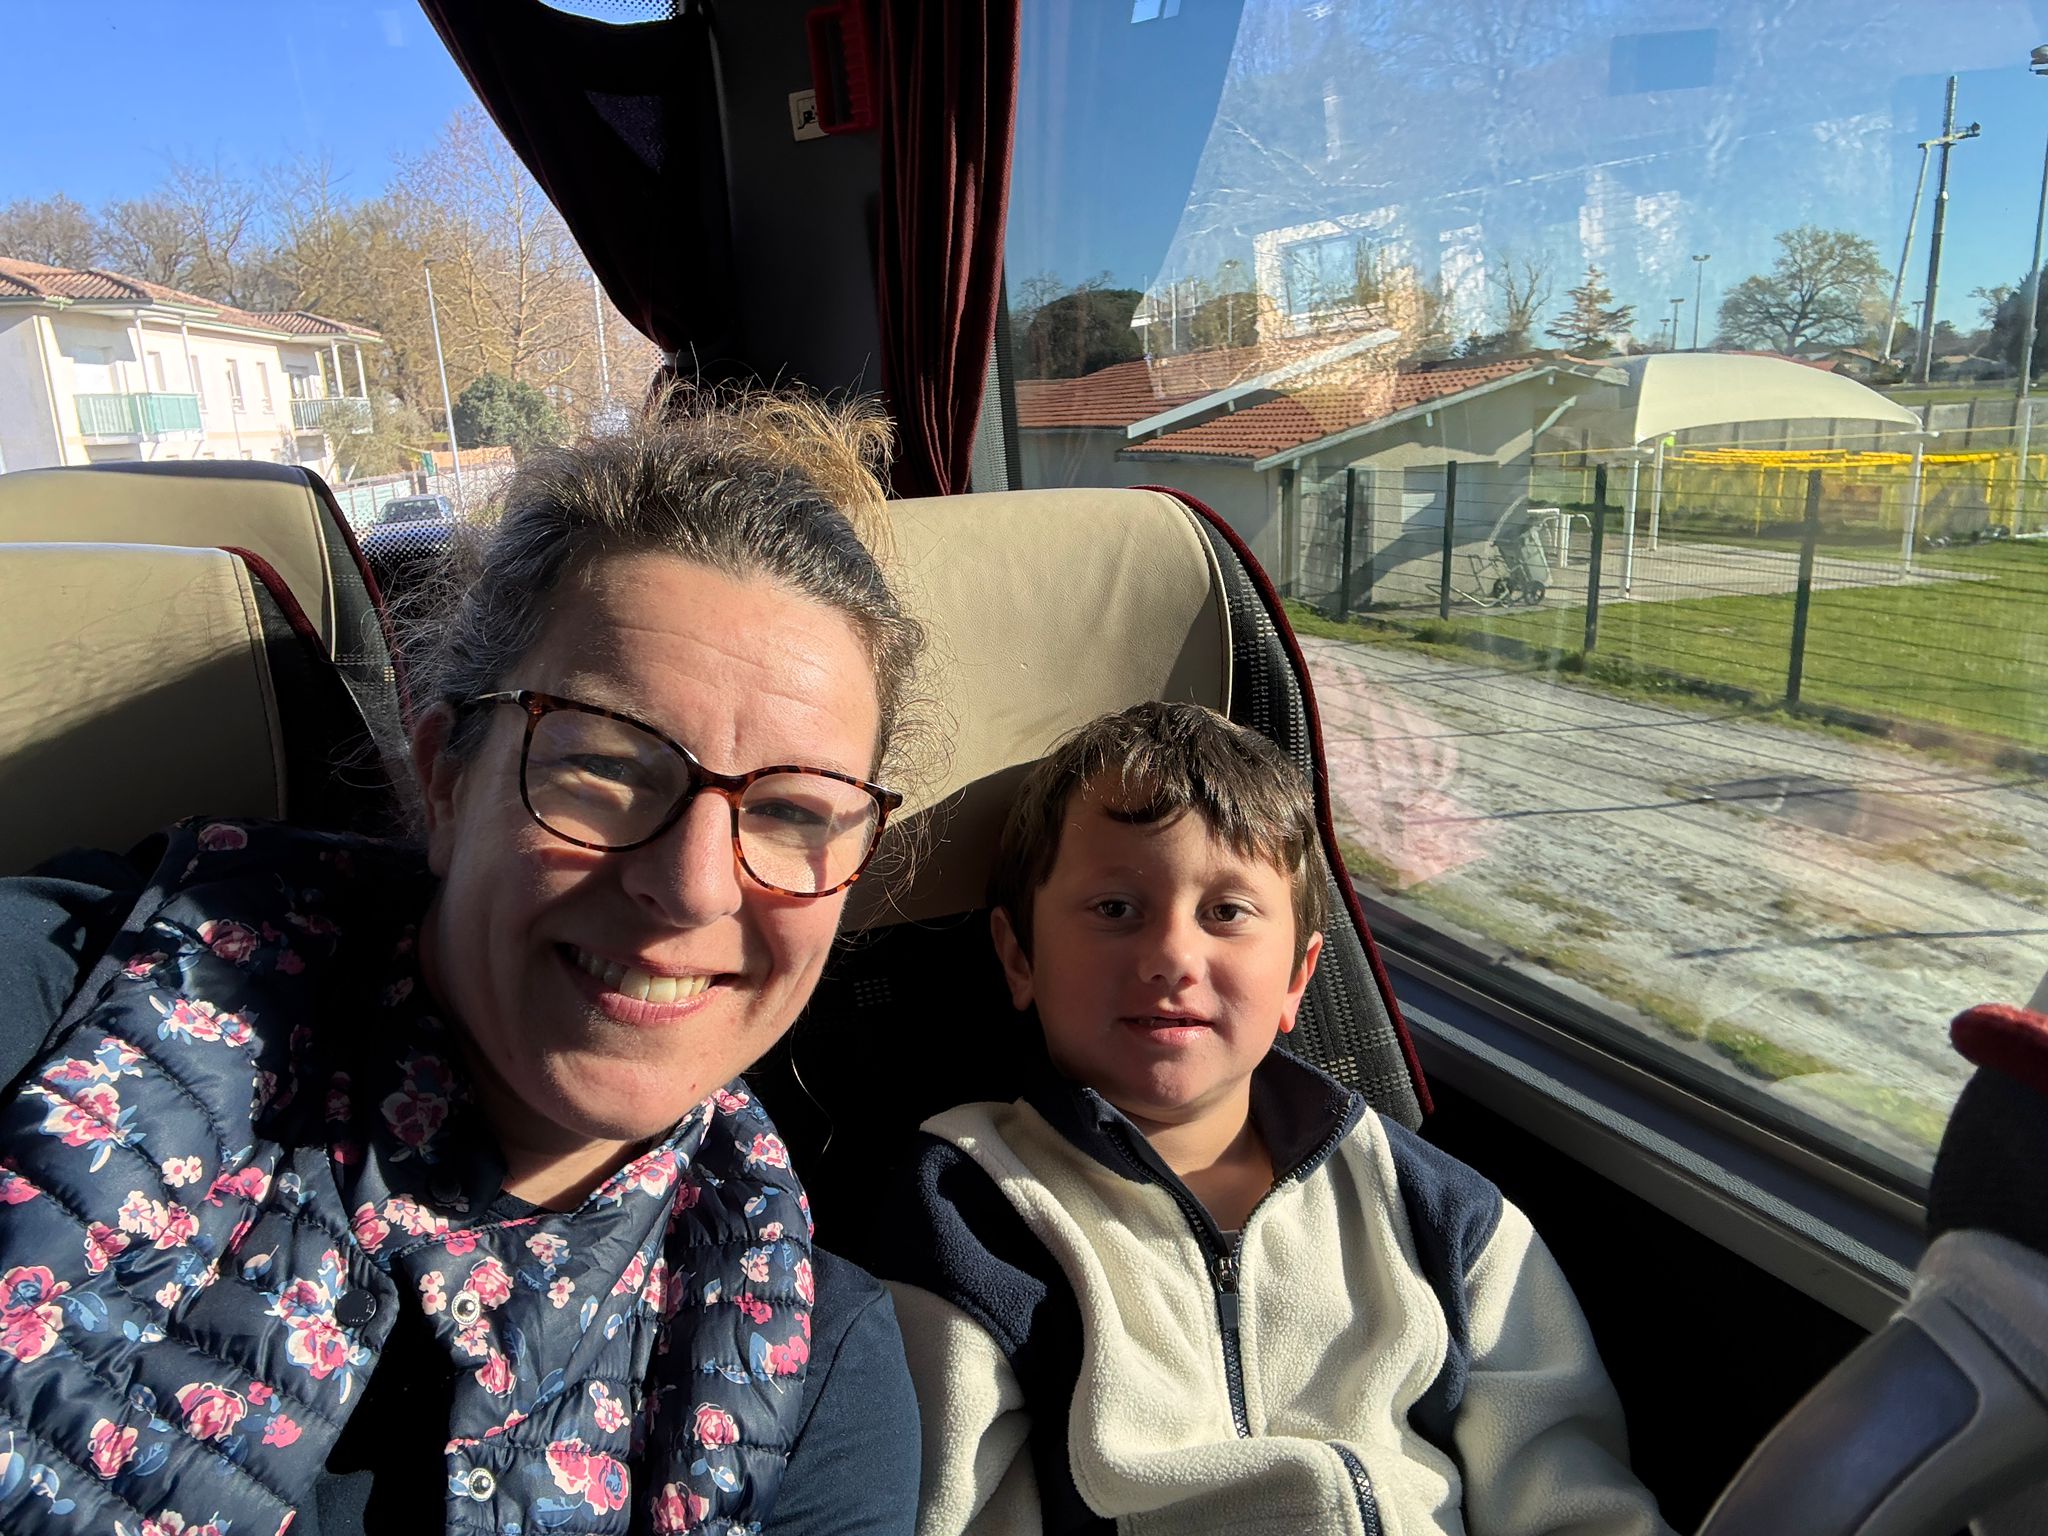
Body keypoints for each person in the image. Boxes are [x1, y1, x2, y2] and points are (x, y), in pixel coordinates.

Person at [0, 391, 926, 1536]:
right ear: (444, 780)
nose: (692, 887)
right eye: (605, 767)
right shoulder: (68, 1008)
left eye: (791, 810)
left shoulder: (814, 1376)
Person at [876, 701, 1675, 1536]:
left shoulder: (1438, 1216)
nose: (1173, 957)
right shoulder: (973, 1212)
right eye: (1115, 909)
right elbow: (951, 1507)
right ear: (1020, 958)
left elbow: (1571, 1496)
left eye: (1226, 912)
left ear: (1297, 978)